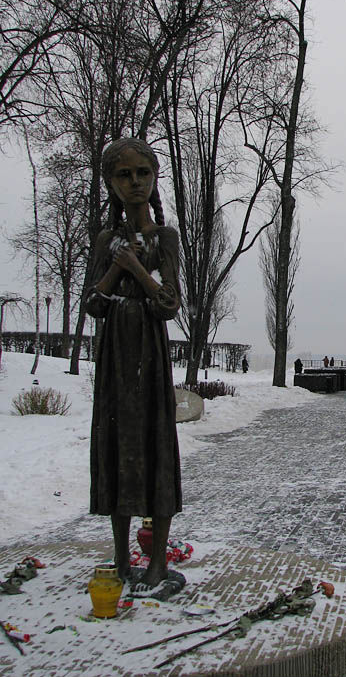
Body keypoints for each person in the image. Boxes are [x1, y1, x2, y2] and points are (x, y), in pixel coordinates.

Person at [86, 137, 182, 587]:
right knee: (119, 447)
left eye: (142, 173)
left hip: (149, 351)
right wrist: (116, 264)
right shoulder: (106, 239)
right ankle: (123, 561)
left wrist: (138, 270)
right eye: (124, 175)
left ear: (154, 177)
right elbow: (94, 304)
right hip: (115, 360)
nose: (135, 182)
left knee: (155, 446)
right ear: (110, 182)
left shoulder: (165, 238)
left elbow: (168, 304)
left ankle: (158, 561)